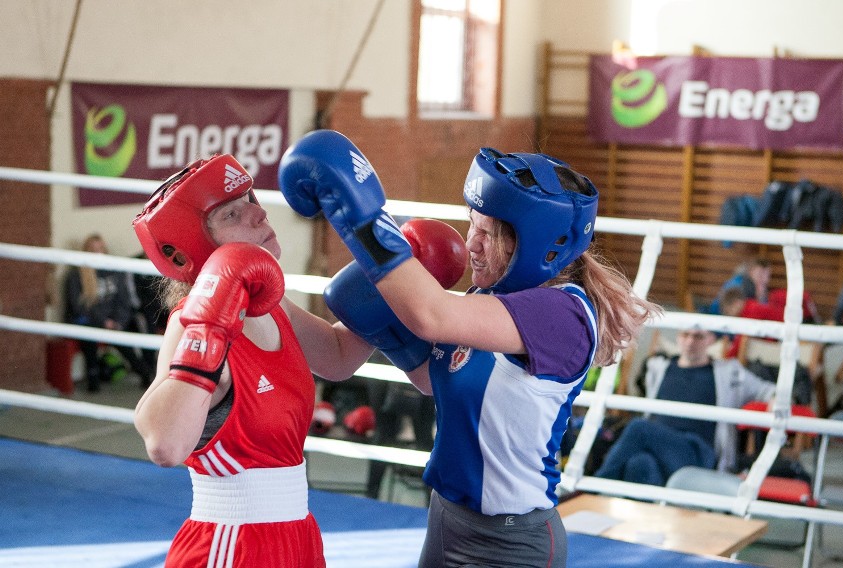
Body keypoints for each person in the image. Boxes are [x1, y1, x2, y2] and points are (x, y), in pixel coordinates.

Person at [278, 130, 661, 568]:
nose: (471, 243)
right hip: (448, 518)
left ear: (534, 242)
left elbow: (431, 315)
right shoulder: (486, 302)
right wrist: (259, 292)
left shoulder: (562, 316)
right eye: (471, 224)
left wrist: (360, 217)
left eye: (489, 233)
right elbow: (339, 357)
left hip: (511, 544)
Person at [131, 154, 466, 567]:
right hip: (229, 544)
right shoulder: (191, 324)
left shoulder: (272, 306)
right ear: (194, 249)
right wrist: (210, 329)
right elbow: (164, 443)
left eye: (250, 198)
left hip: (296, 535)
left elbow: (339, 357)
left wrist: (389, 272)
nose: (258, 213)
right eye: (233, 213)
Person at [593, 327, 777, 486]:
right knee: (640, 464)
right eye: (685, 335)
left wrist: (776, 399)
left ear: (711, 340)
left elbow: (768, 390)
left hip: (698, 452)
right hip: (660, 446)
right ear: (678, 337)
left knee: (638, 427)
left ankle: (594, 488)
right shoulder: (658, 367)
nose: (690, 342)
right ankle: (646, 521)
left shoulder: (729, 373)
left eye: (698, 337)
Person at [63, 233, 154, 392]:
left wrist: (118, 320)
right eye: (93, 249)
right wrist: (103, 321)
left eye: (100, 249)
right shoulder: (77, 274)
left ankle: (145, 373)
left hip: (112, 319)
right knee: (88, 335)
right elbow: (80, 306)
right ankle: (93, 379)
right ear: (86, 251)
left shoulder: (114, 270)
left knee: (122, 337)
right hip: (89, 319)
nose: (98, 253)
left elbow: (123, 300)